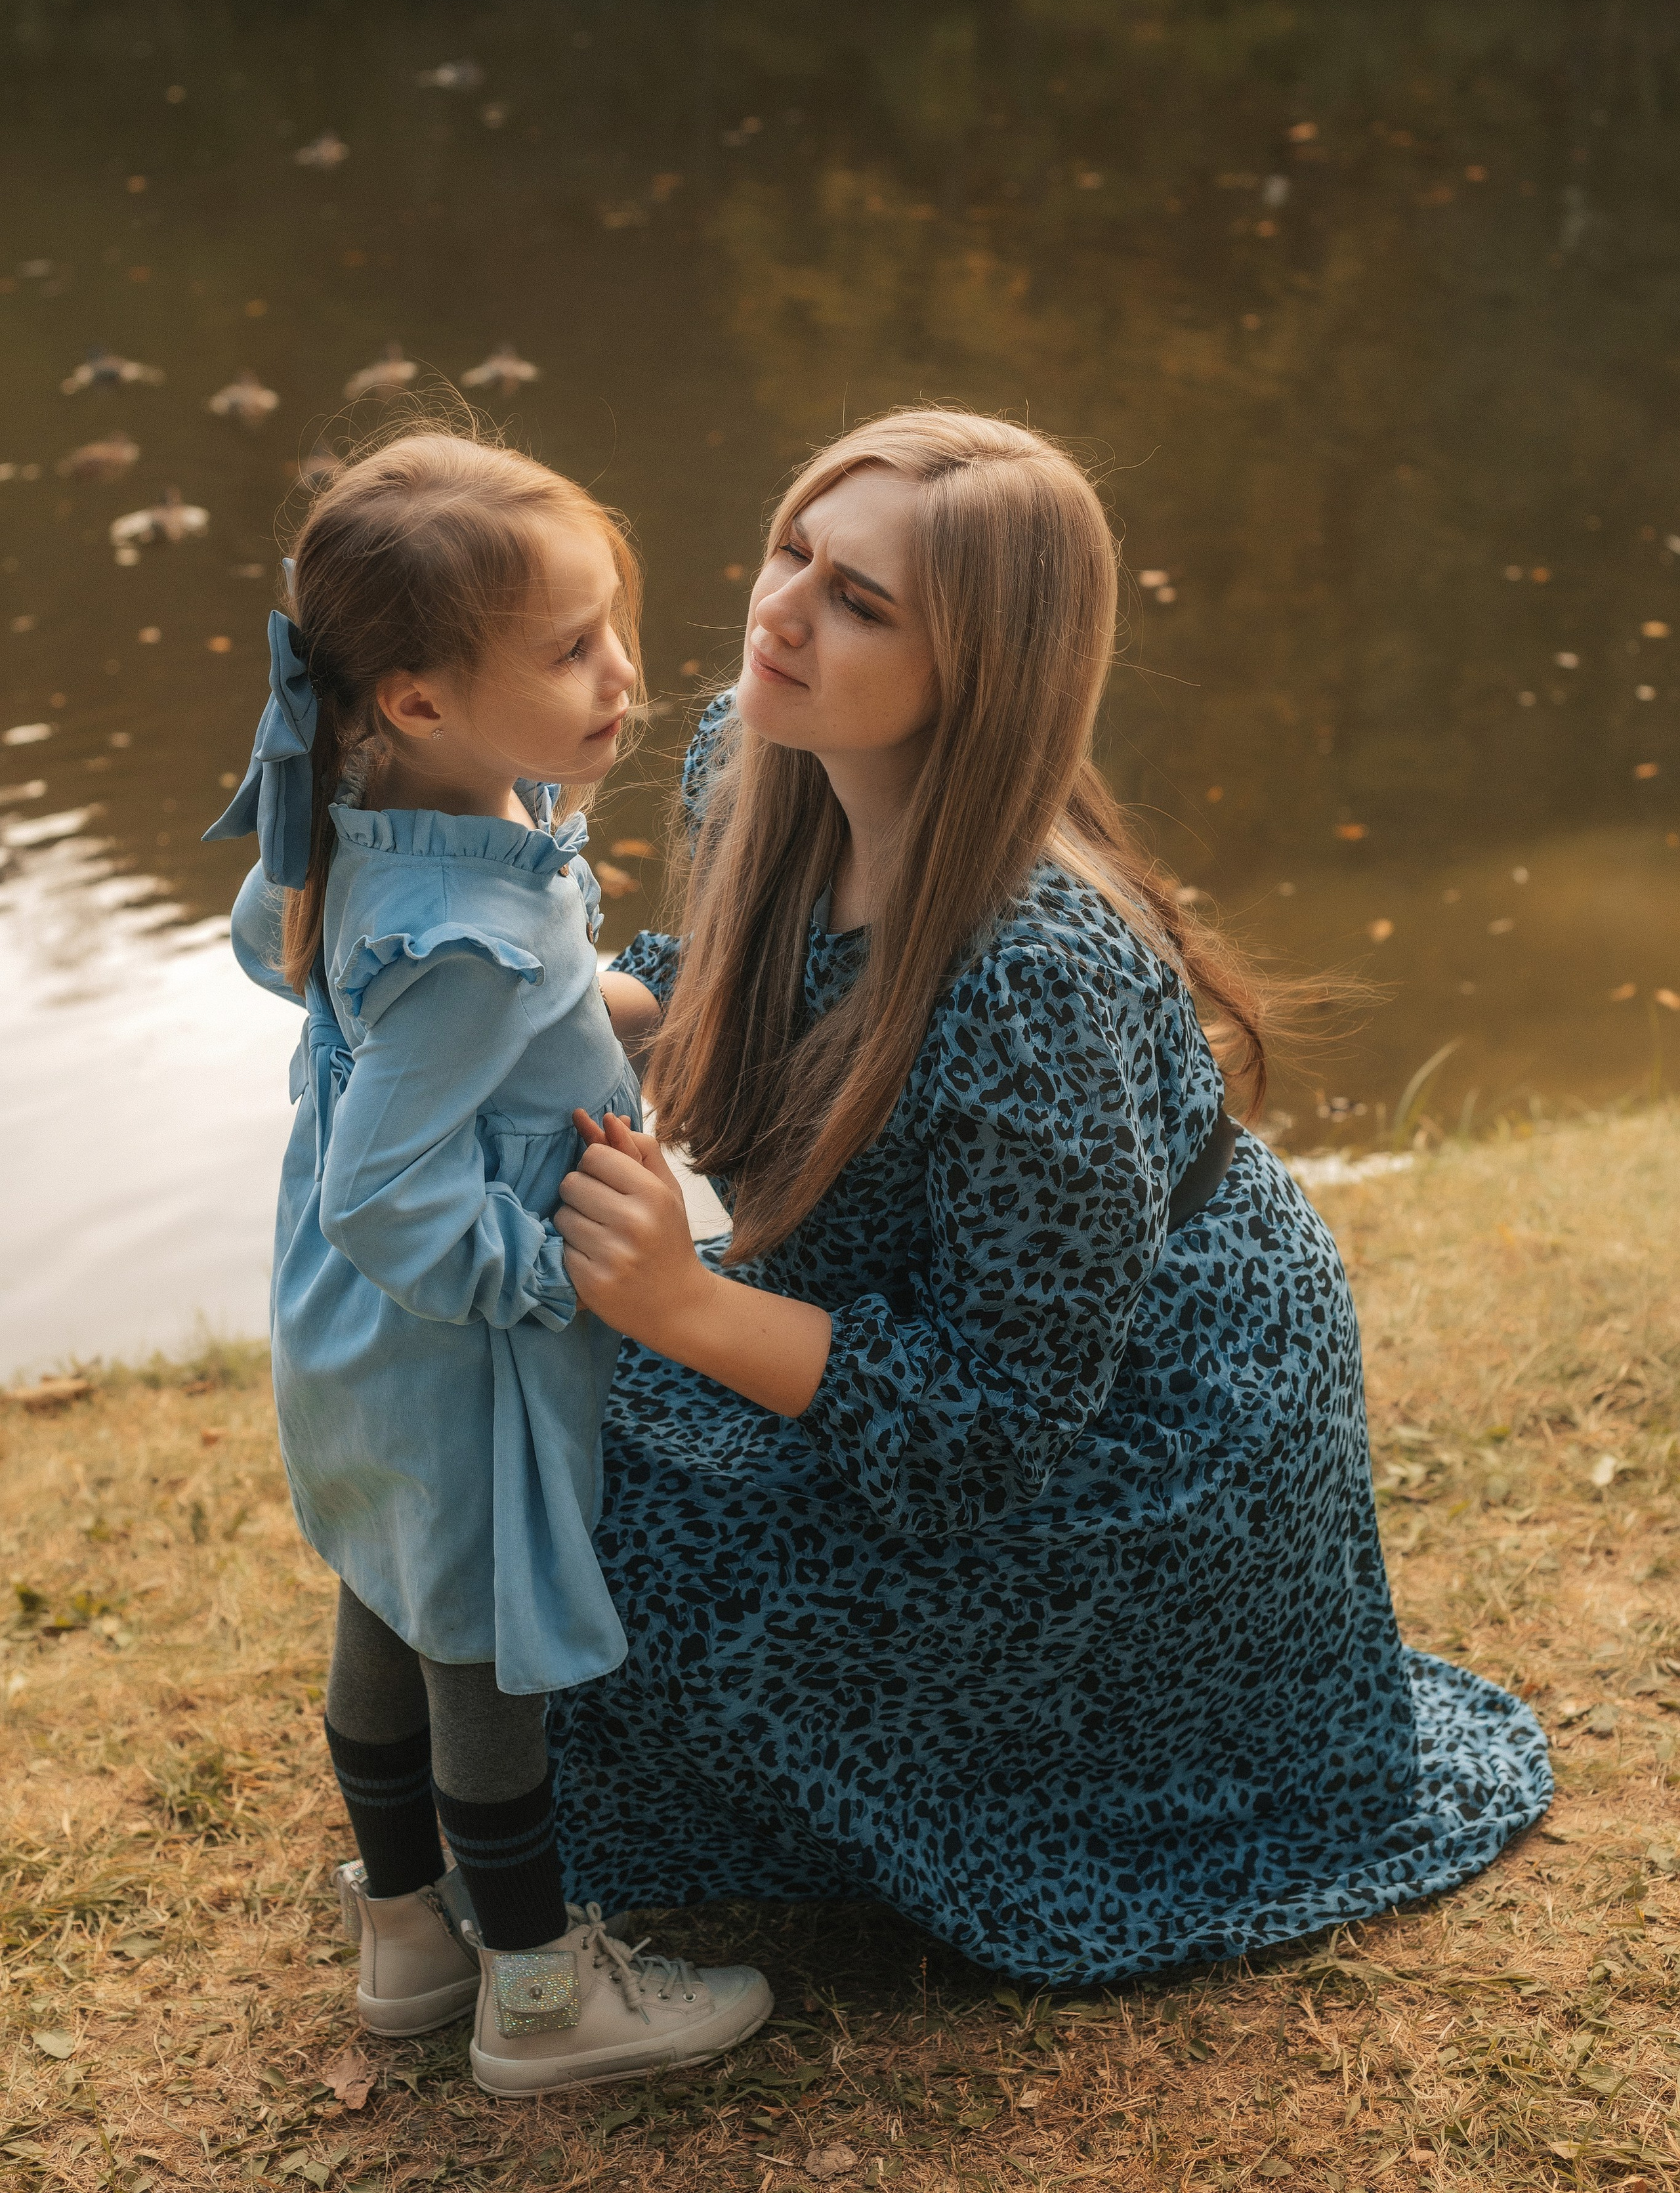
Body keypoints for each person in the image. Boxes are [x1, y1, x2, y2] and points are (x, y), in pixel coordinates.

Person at [552, 406, 1551, 1986]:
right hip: (901, 1325)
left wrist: (683, 1303)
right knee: (540, 1433)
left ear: (984, 671)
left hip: (1141, 1436)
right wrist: (534, 987)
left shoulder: (1034, 973)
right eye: (792, 548)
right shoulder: (753, 758)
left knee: (631, 1539)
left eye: (860, 601)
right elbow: (768, 997)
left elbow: (994, 1422)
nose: (781, 609)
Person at [206, 429, 770, 2094]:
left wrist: (590, 1002)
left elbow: (279, 944)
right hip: (454, 1342)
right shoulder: (472, 932)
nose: (624, 674)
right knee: (486, 1644)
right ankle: (534, 1993)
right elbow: (393, 1193)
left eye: (614, 627)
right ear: (419, 699)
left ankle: (405, 1936)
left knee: (386, 1592)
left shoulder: (385, 819)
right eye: (571, 651)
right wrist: (556, 1271)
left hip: (343, 1334)